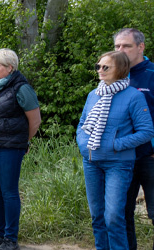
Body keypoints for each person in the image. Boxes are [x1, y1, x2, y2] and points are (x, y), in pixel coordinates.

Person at [77, 51, 154, 250]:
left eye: (106, 67)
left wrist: (116, 145)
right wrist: (84, 147)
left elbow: (146, 131)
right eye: (98, 66)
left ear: (120, 69)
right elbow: (82, 125)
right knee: (97, 216)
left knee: (113, 217)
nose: (100, 70)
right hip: (92, 162)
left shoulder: (133, 96)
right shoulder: (93, 95)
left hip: (118, 164)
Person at [0, 49, 41, 250]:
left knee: (9, 192)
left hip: (9, 149)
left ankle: (11, 238)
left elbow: (35, 121)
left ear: (10, 68)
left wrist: (22, 141)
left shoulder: (21, 88)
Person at [114, 28, 154, 250]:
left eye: (126, 46)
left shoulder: (151, 74)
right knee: (122, 213)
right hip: (121, 157)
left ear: (141, 47)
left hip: (149, 156)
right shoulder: (112, 75)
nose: (120, 50)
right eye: (117, 46)